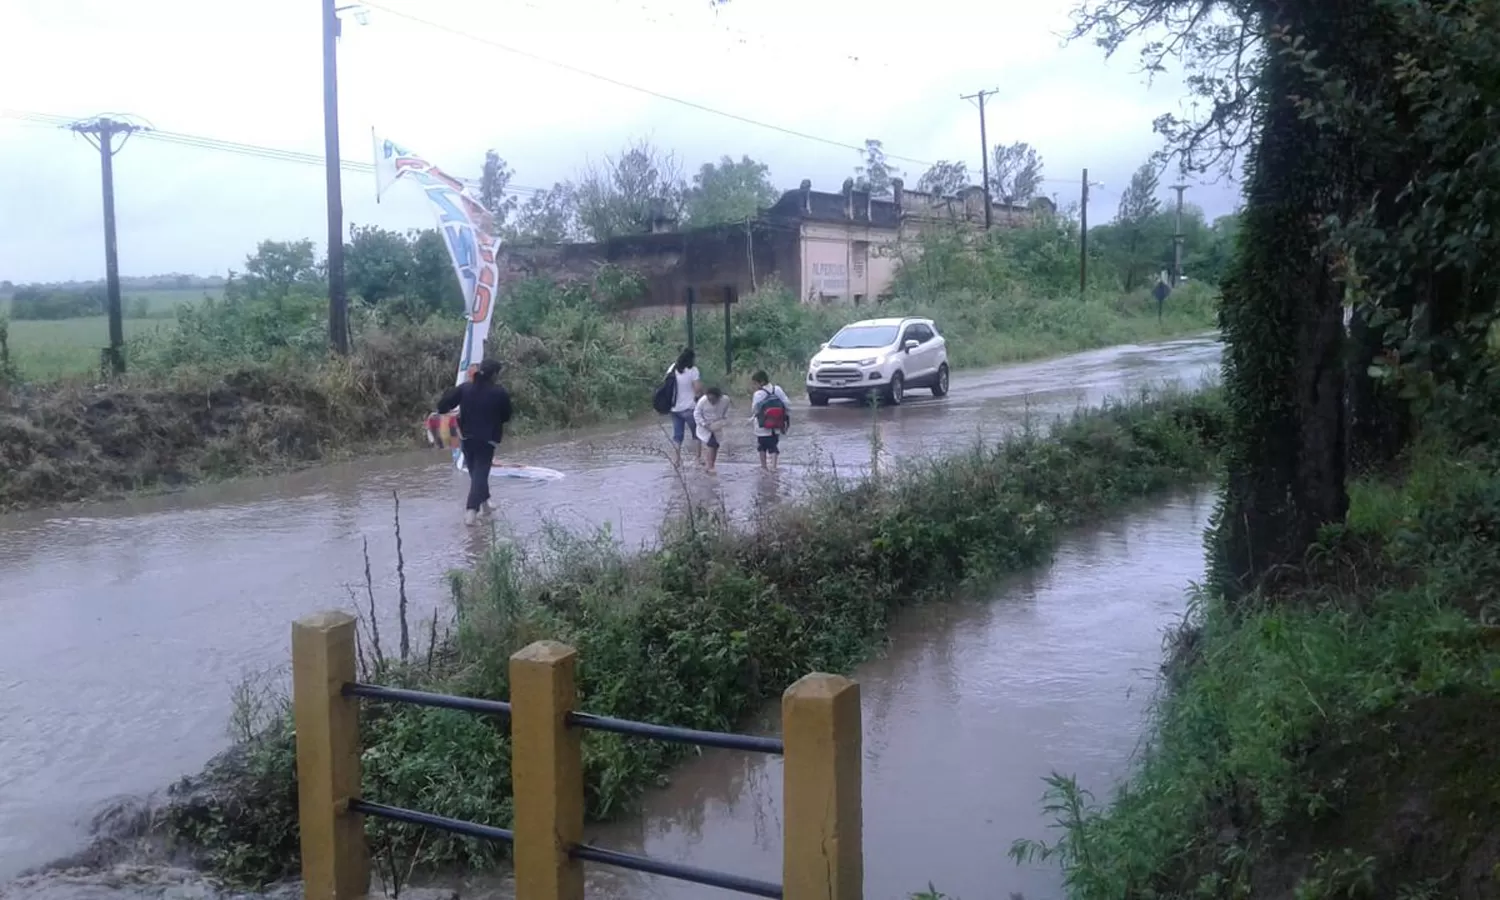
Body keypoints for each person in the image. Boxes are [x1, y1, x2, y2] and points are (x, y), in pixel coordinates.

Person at [435, 359, 513, 526]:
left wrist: (453, 413)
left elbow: (442, 406)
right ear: (495, 374)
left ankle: (485, 506)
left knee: (475, 473)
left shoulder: (465, 388)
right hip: (487, 440)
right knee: (480, 475)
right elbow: (506, 416)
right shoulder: (499, 392)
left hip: (466, 438)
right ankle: (471, 513)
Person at [665, 348, 703, 465]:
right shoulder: (693, 370)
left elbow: (666, 383)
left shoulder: (672, 368)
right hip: (690, 407)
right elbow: (697, 389)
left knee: (677, 435)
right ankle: (697, 459)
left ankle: (677, 460)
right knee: (697, 434)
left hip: (674, 408)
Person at [748, 370, 791, 471]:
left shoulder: (758, 394)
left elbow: (754, 409)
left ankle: (764, 467)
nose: (755, 386)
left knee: (762, 446)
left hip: (762, 425)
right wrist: (786, 417)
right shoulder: (778, 389)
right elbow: (787, 403)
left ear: (761, 382)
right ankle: (774, 467)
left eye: (755, 383)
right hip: (777, 423)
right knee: (773, 445)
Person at [693, 386, 731, 474]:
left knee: (716, 445)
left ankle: (711, 464)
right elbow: (696, 414)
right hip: (705, 425)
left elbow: (726, 411)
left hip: (717, 424)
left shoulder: (725, 400)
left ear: (718, 397)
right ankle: (710, 466)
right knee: (711, 443)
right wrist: (704, 424)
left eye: (713, 399)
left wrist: (723, 420)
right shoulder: (702, 401)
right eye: (709, 399)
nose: (711, 401)